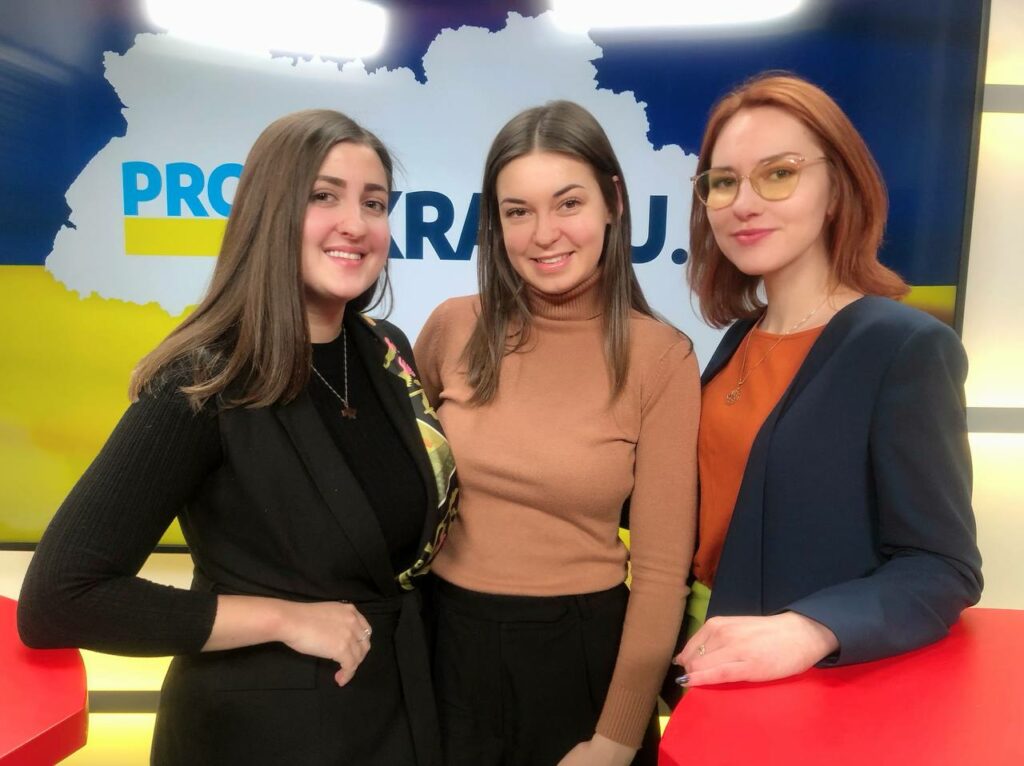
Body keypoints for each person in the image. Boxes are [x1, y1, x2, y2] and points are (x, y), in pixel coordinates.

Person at [18, 109, 457, 766]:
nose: (355, 223)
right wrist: (284, 618)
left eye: (374, 203)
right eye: (324, 196)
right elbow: (61, 597)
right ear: (269, 213)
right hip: (259, 734)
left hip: (393, 717)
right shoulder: (204, 379)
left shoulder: (386, 351)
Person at [671, 73, 982, 690]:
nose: (744, 203)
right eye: (724, 182)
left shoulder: (904, 347)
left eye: (778, 173)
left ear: (837, 190)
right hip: (704, 661)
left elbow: (944, 567)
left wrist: (811, 629)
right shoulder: (741, 338)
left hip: (808, 683)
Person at [413, 100, 700, 766]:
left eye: (568, 203)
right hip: (443, 642)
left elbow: (662, 574)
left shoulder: (661, 358)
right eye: (518, 212)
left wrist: (617, 737)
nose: (544, 234)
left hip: (580, 659)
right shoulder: (452, 327)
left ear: (613, 202)